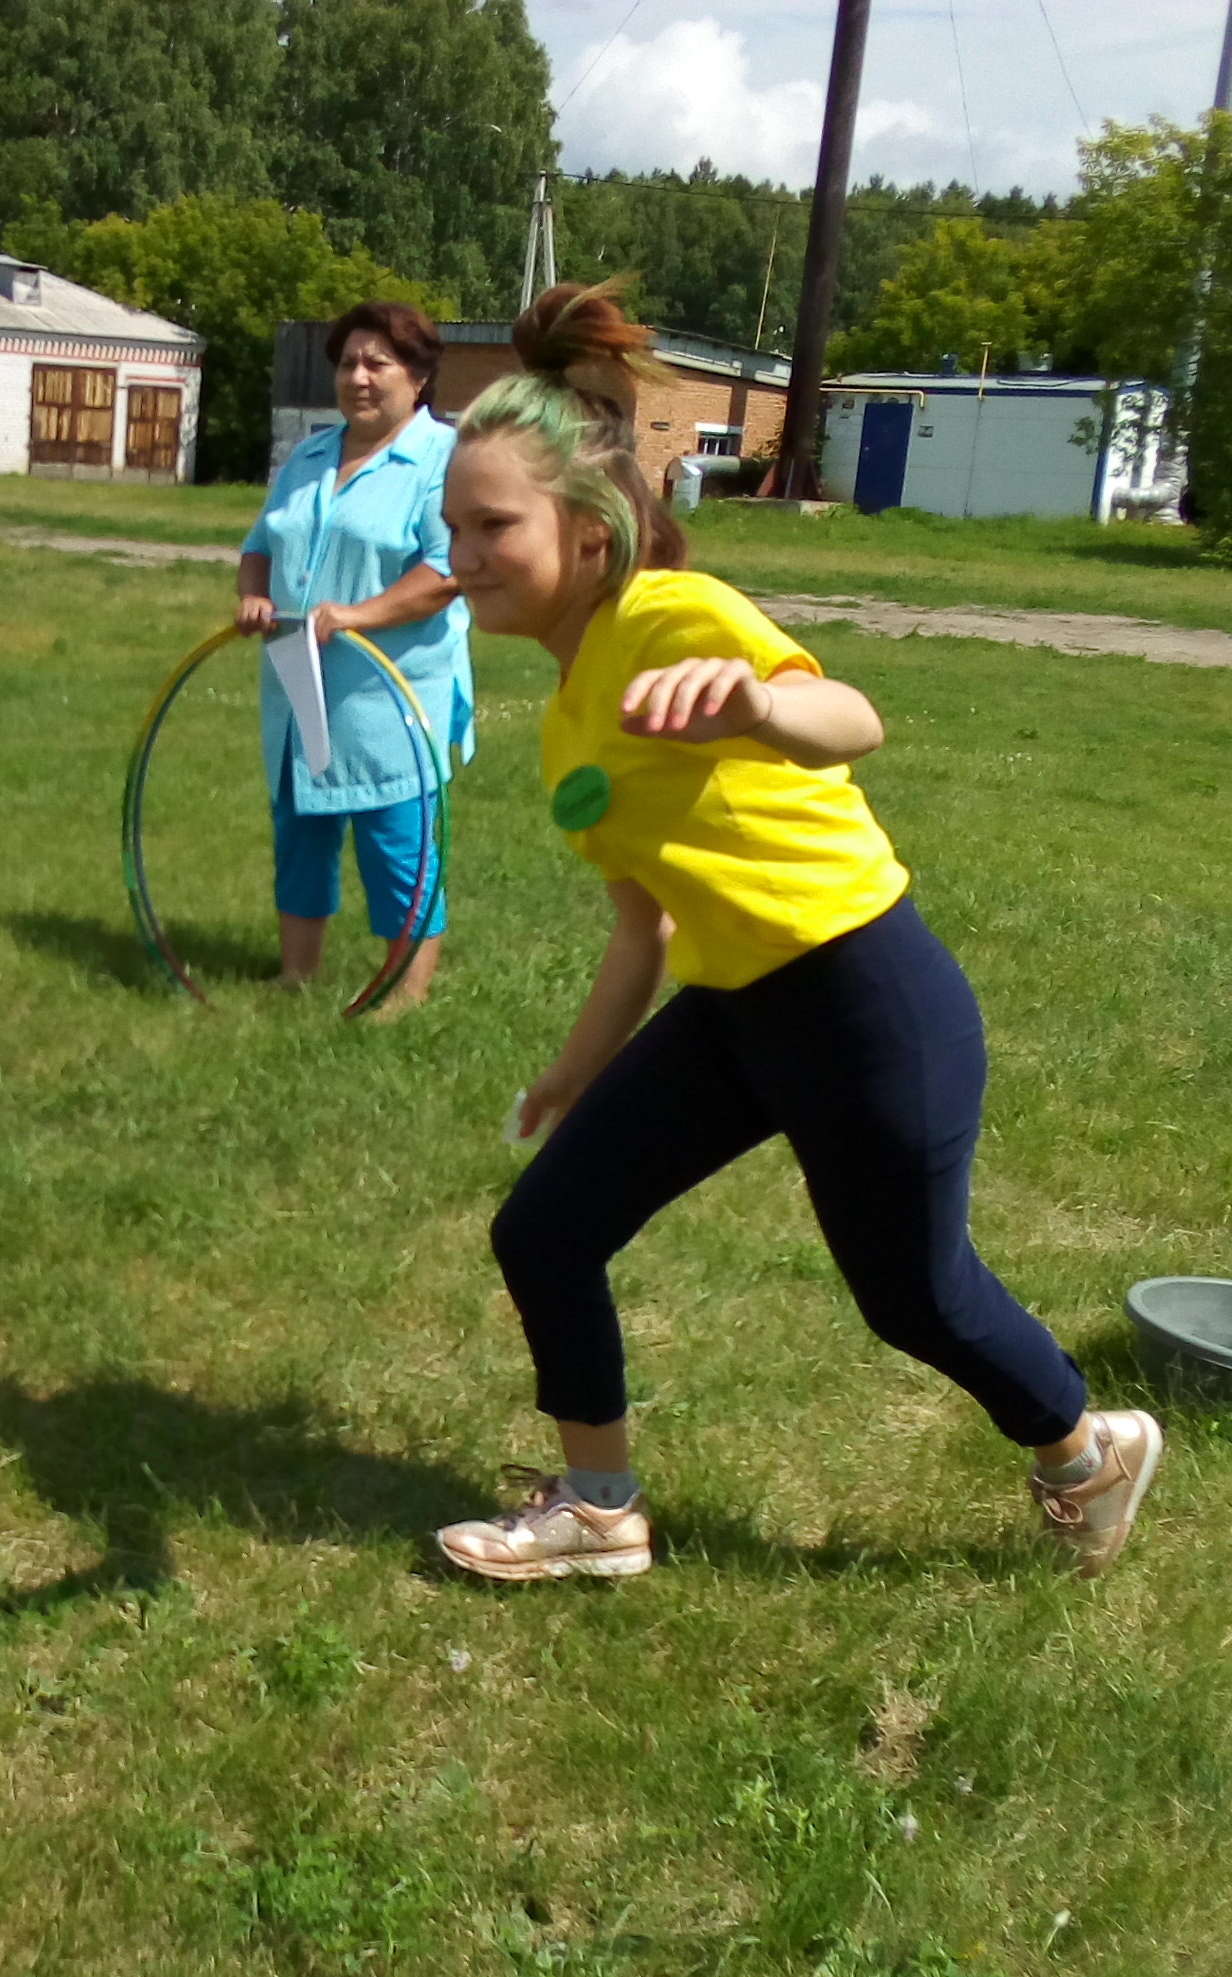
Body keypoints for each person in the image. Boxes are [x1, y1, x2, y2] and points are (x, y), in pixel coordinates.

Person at [426, 283, 1163, 1584]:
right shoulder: (567, 722)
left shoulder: (670, 616)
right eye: (454, 528)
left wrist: (759, 706)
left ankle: (1088, 1450)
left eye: (494, 526)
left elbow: (853, 721)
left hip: (862, 995)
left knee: (915, 1299)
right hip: (734, 1013)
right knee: (545, 1230)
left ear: (589, 534)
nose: (465, 553)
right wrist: (573, 1074)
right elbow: (643, 927)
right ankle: (598, 1511)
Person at [234, 301, 474, 1010]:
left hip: (387, 698)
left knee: (396, 844)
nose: (358, 377)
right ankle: (296, 976)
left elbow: (447, 569)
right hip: (299, 682)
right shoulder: (308, 457)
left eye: (377, 363)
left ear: (418, 377)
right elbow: (260, 545)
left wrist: (356, 616)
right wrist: (253, 598)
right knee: (302, 832)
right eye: (347, 364)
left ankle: (405, 996)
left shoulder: (443, 459)